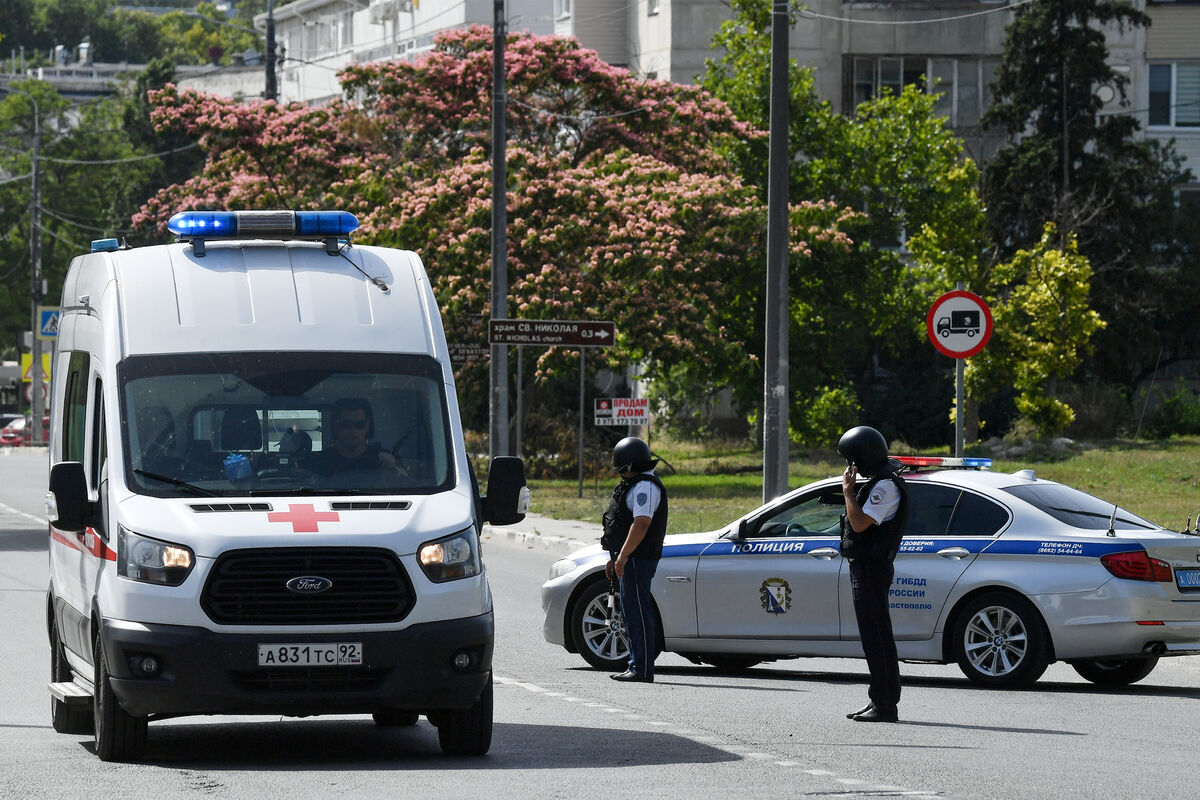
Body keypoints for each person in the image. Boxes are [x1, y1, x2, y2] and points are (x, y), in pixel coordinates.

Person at [838, 425, 909, 723]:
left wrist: (847, 492)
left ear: (861, 459)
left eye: (851, 460)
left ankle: (885, 704)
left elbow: (859, 524)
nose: (849, 467)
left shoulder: (885, 487)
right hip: (867, 566)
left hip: (872, 567)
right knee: (873, 635)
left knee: (877, 635)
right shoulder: (879, 483)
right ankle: (878, 699)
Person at [601, 436, 668, 683]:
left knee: (638, 613)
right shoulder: (636, 484)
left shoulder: (645, 487)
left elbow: (641, 524)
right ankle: (637, 665)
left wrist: (625, 555)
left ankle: (641, 668)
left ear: (628, 465)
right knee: (631, 612)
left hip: (639, 558)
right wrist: (616, 556)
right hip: (631, 557)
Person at [312, 398, 400, 476]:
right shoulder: (319, 462)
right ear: (334, 427)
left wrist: (392, 467)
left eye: (359, 425)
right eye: (345, 425)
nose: (352, 431)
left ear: (368, 426)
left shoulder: (385, 459)